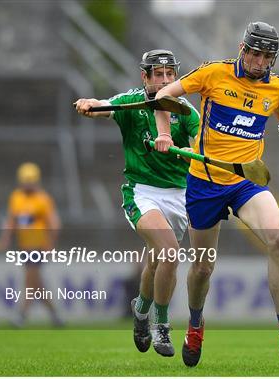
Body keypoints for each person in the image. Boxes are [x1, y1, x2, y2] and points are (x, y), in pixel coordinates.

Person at [153, 22, 279, 366]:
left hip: (246, 180)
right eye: (255, 53)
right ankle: (195, 325)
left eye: (267, 56)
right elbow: (163, 96)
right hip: (205, 182)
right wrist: (165, 134)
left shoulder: (276, 87)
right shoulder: (213, 73)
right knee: (203, 269)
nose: (260, 61)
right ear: (243, 48)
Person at [74, 49, 200, 357]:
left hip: (180, 196)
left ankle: (140, 312)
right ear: (145, 77)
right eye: (159, 75)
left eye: (171, 75)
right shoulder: (132, 102)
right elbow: (105, 108)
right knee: (170, 253)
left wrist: (182, 148)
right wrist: (90, 104)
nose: (166, 80)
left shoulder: (186, 112)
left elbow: (200, 145)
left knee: (156, 261)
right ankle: (162, 328)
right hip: (142, 192)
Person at [0, 162, 63, 327]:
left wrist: (51, 245)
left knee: (29, 280)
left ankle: (21, 315)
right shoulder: (16, 197)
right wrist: (5, 238)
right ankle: (55, 316)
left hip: (38, 246)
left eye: (31, 180)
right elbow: (12, 220)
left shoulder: (43, 199)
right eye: (26, 180)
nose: (28, 184)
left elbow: (54, 223)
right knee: (36, 283)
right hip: (24, 246)